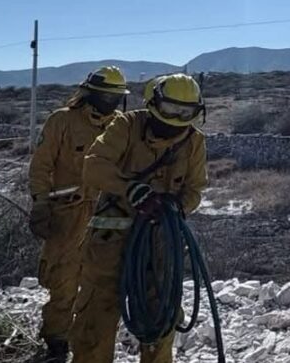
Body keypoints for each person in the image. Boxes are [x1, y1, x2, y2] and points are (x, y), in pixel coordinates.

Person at [69, 73, 208, 363]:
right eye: (171, 110)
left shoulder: (194, 142)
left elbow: (195, 189)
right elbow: (94, 166)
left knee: (160, 320)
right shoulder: (126, 125)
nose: (176, 120)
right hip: (110, 243)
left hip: (161, 245)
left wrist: (177, 206)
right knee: (95, 319)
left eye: (185, 113)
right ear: (154, 104)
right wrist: (130, 190)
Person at [28, 65, 130, 363]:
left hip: (110, 218)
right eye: (105, 96)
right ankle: (57, 340)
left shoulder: (122, 127)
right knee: (64, 280)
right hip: (67, 214)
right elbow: (41, 165)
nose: (109, 102)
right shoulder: (62, 121)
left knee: (101, 285)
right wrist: (40, 203)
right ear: (90, 93)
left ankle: (89, 346)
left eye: (115, 97)